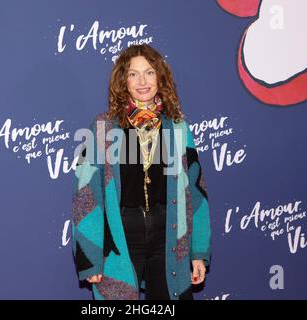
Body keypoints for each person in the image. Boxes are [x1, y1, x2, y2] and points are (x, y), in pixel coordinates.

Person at [71, 44, 211, 300]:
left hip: (168, 236)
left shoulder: (178, 127)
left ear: (160, 77)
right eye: (133, 74)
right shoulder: (103, 127)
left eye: (149, 72)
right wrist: (90, 256)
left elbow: (196, 191)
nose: (142, 81)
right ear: (123, 81)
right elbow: (85, 194)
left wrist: (198, 251)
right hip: (120, 238)